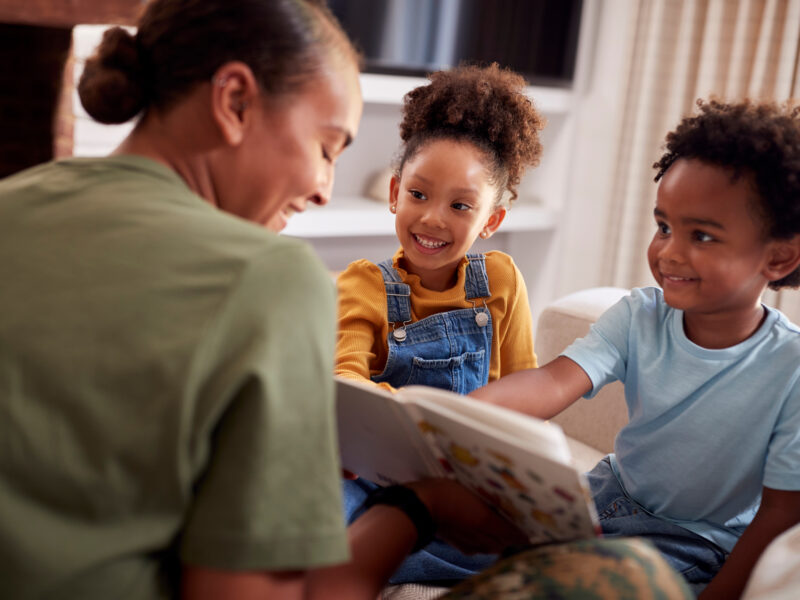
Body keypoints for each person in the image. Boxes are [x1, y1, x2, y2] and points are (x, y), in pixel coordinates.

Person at [0, 1, 525, 599]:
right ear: (235, 102)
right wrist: (419, 507)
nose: (324, 190)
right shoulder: (271, 277)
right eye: (326, 148)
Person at [470, 99, 800, 598]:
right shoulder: (639, 315)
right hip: (605, 496)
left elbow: (779, 515)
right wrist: (458, 414)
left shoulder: (791, 368)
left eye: (702, 235)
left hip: (693, 543)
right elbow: (552, 381)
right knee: (445, 533)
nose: (668, 251)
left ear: (778, 257)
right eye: (664, 226)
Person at [335, 63, 545, 585]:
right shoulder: (364, 283)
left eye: (460, 206)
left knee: (528, 544)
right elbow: (344, 378)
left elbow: (526, 390)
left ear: (491, 220)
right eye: (418, 194)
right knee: (318, 522)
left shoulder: (499, 278)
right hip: (376, 477)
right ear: (394, 192)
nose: (432, 219)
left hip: (470, 481)